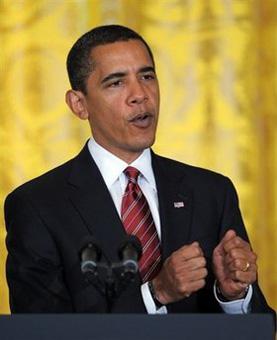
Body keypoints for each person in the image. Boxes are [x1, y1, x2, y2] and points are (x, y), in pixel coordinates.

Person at [4, 25, 274, 316]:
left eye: (147, 76)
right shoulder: (37, 205)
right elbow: (41, 332)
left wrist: (233, 295)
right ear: (79, 104)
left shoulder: (211, 192)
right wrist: (156, 293)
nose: (140, 95)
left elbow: (260, 327)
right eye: (116, 83)